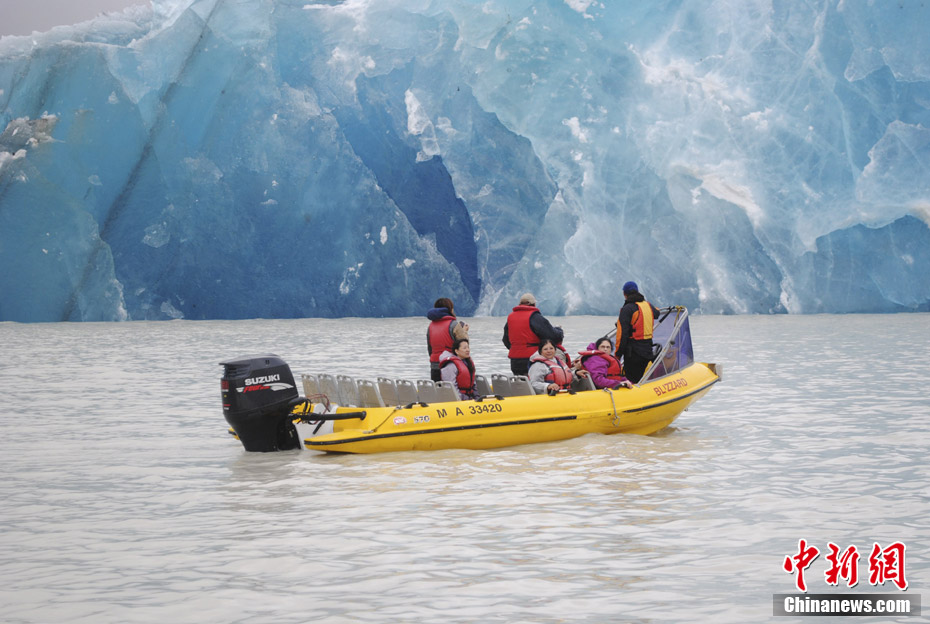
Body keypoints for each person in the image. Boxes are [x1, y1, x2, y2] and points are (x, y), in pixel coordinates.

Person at [502, 293, 564, 376]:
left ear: (520, 304)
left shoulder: (511, 318)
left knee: (521, 381)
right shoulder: (534, 317)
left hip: (515, 361)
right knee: (535, 380)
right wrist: (559, 330)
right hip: (532, 359)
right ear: (534, 304)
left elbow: (505, 340)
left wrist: (517, 349)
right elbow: (552, 336)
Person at [614, 281, 660, 384]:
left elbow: (622, 335)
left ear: (624, 294)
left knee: (632, 380)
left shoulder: (627, 309)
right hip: (648, 350)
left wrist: (617, 355)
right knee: (643, 378)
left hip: (633, 354)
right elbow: (657, 313)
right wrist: (655, 308)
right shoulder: (648, 305)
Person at [426, 297, 469, 382]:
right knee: (452, 389)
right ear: (450, 309)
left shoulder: (431, 326)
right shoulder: (453, 324)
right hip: (451, 365)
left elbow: (430, 348)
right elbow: (464, 344)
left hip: (435, 365)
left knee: (438, 388)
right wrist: (464, 331)